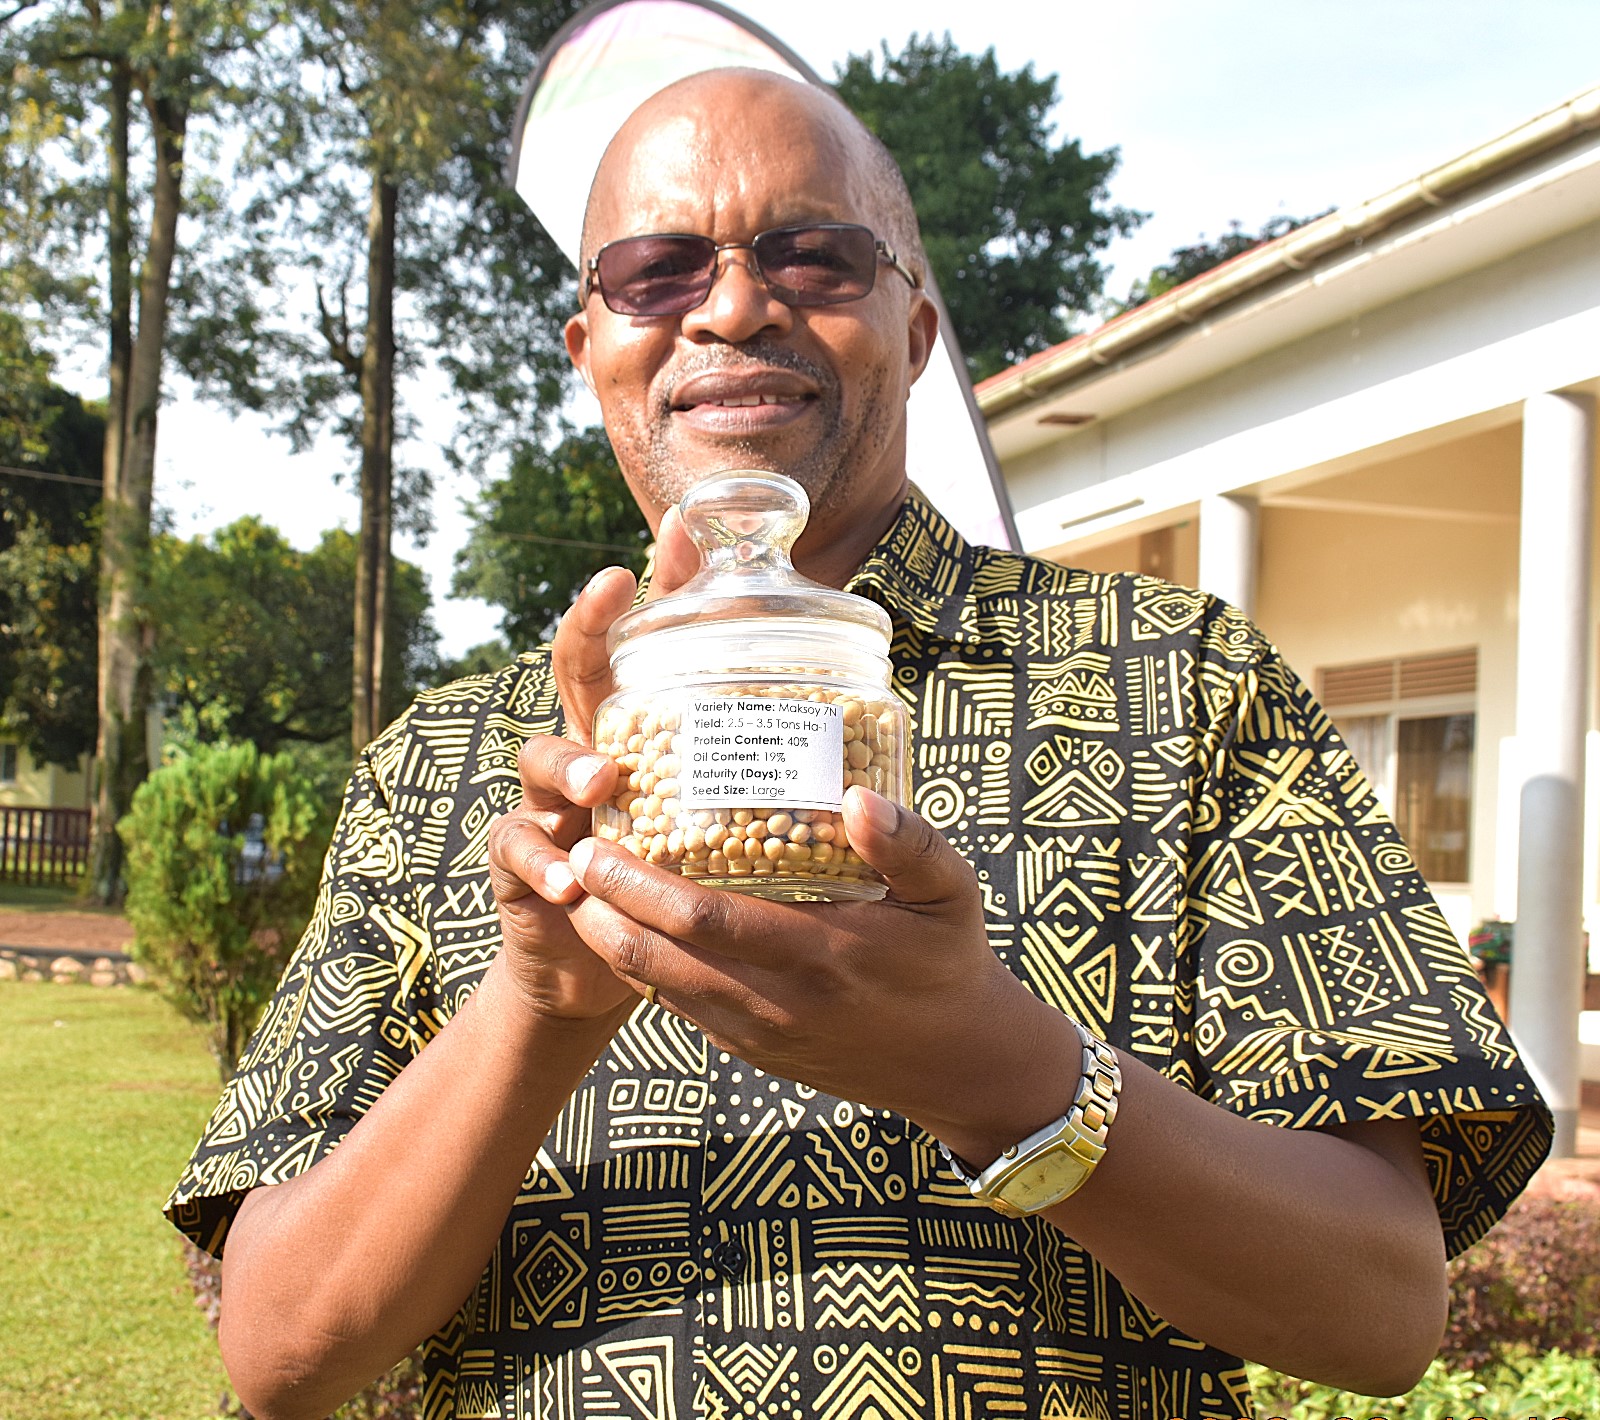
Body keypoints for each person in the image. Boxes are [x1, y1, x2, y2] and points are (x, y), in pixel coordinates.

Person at [168, 69, 1551, 1420]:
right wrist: (533, 1011)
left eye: (813, 256)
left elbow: (1382, 1312)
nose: (731, 305)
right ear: (591, 347)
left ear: (917, 331)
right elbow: (282, 1354)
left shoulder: (1180, 687)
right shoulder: (449, 765)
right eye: (657, 270)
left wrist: (996, 1071)